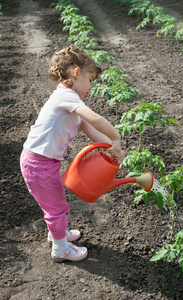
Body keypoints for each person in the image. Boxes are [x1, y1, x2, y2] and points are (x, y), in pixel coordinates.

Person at [20, 45, 125, 263]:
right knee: (56, 206)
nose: (90, 86)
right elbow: (96, 119)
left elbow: (92, 130)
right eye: (90, 79)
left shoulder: (70, 103)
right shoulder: (65, 97)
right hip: (38, 164)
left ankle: (57, 233)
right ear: (77, 73)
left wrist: (112, 149)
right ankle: (60, 249)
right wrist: (116, 136)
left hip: (44, 162)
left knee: (55, 201)